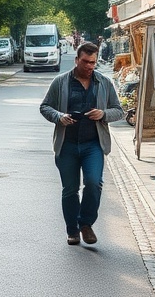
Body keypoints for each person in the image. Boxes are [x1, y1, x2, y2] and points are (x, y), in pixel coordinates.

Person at [39, 41, 123, 246]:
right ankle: (72, 231)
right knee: (70, 189)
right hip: (66, 144)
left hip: (92, 144)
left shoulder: (103, 83)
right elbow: (45, 106)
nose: (89, 66)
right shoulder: (61, 82)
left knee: (94, 183)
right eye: (85, 62)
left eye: (93, 62)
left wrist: (103, 114)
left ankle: (85, 224)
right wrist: (59, 117)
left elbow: (118, 111)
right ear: (76, 60)